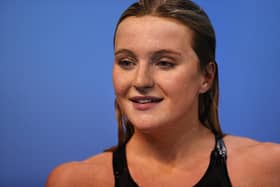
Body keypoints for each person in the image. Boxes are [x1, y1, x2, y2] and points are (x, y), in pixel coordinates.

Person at [46, 0, 280, 186]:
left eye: (165, 63)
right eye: (126, 62)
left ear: (206, 77)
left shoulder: (268, 169)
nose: (141, 80)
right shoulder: (72, 181)